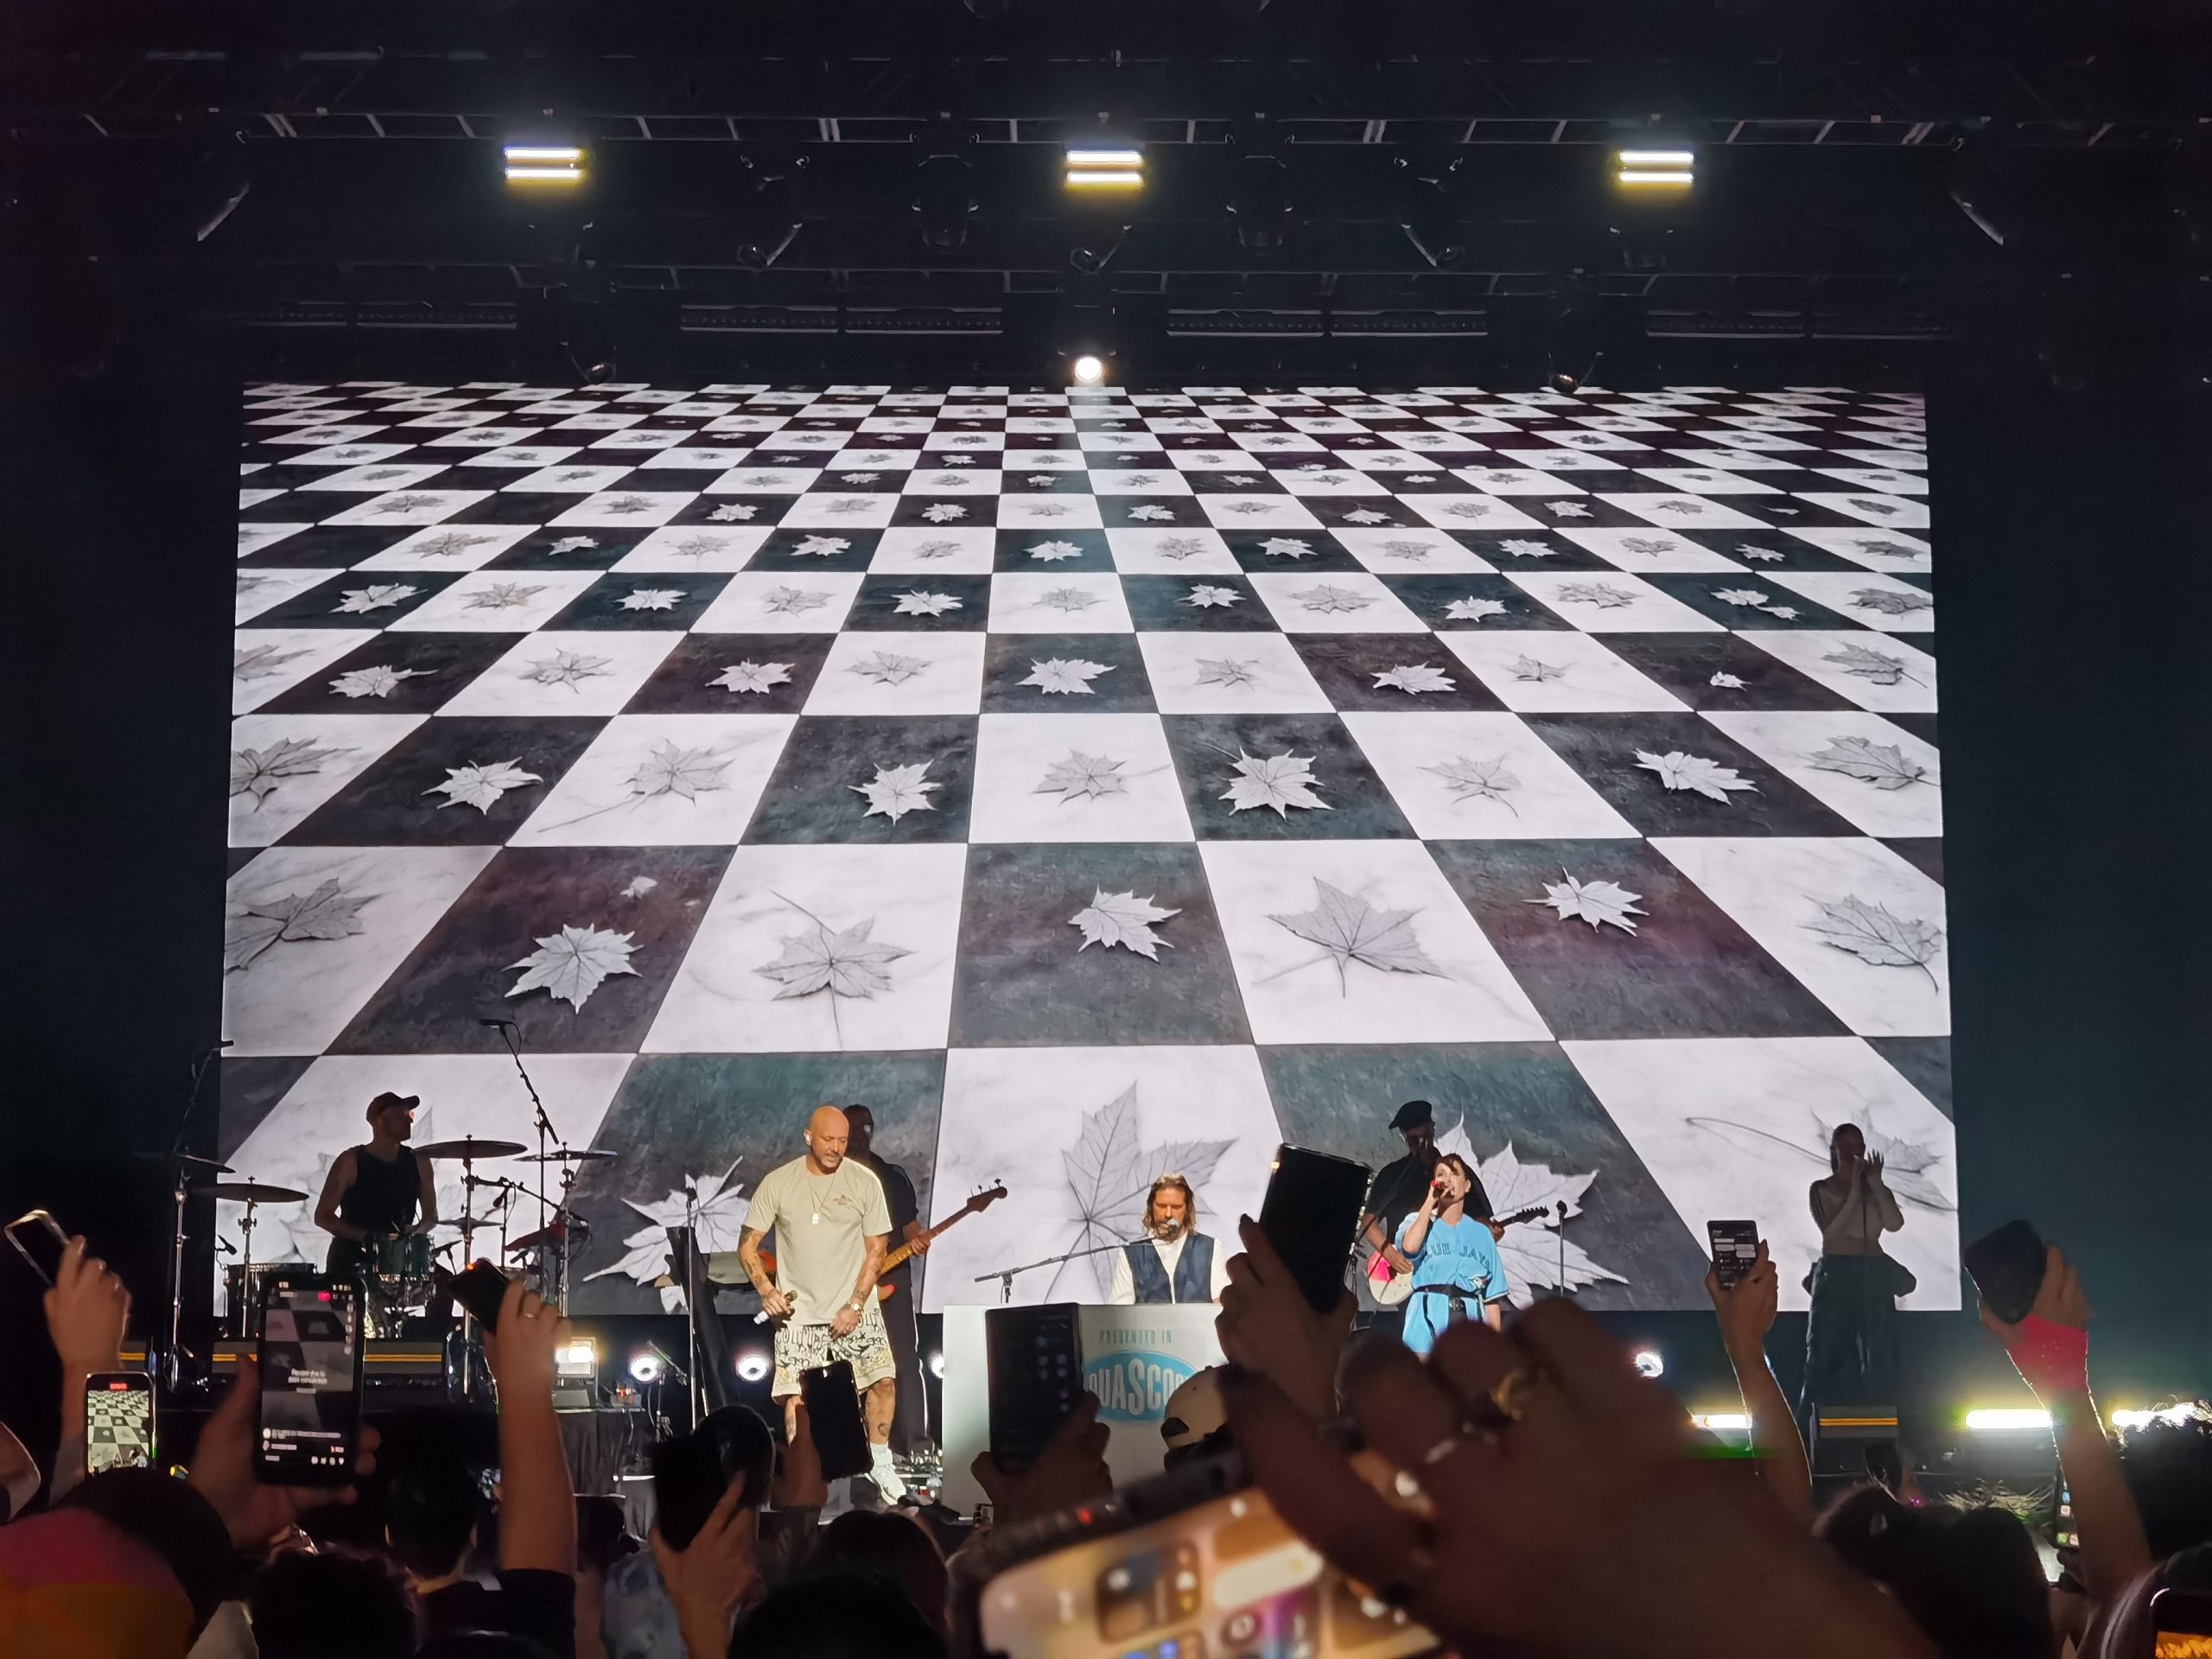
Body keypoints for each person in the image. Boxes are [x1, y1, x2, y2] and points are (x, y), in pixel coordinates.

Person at [735, 1106, 904, 1506]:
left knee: (882, 1380)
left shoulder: (864, 1181)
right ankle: (802, 1475)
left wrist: (856, 1304)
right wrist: (766, 1290)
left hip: (854, 1309)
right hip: (800, 1318)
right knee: (798, 1400)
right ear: (808, 1137)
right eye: (828, 1139)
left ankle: (880, 1461)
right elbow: (747, 1245)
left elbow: (877, 1250)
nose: (836, 1148)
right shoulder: (779, 1183)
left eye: (843, 1141)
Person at [1802, 1122, 1906, 1422]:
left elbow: (1894, 1223)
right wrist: (1854, 1192)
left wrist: (1876, 1183)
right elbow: (1831, 1231)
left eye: (1857, 1145)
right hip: (1838, 1272)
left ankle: (1884, 1423)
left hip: (1873, 1271)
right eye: (1844, 1146)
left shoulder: (1873, 1189)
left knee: (1880, 1352)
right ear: (1834, 1150)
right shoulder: (1822, 1189)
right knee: (1827, 1350)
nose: (1851, 1152)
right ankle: (1815, 1422)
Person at [843, 1105, 931, 1454]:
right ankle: (853, 1448)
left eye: (866, 1128)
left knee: (904, 1360)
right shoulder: (829, 1179)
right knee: (846, 1365)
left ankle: (916, 1443)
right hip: (845, 1283)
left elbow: (911, 1229)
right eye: (854, 1128)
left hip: (892, 1279)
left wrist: (918, 1241)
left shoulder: (892, 1176)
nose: (861, 1134)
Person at [1358, 1101, 1496, 1284]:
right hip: (1403, 1276)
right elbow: (1368, 1222)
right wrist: (1390, 1253)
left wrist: (1488, 1231)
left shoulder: (1457, 1175)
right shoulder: (1392, 1175)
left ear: (1432, 1129)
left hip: (1445, 1274)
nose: (1419, 1145)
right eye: (1412, 1140)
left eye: (1422, 1138)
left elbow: (1481, 1219)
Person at [315, 1091, 440, 1280]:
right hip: (352, 1257)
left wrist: (412, 1235)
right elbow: (322, 1217)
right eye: (401, 1115)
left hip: (399, 1258)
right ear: (378, 1121)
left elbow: (430, 1217)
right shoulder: (351, 1161)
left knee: (445, 1283)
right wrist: (369, 1238)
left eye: (410, 1115)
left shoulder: (419, 1162)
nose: (409, 1120)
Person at [1395, 1154, 1507, 1353]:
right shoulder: (1418, 1221)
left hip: (1470, 1320)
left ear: (1467, 1186)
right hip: (1426, 1319)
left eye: (1454, 1173)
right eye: (1441, 1174)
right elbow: (1410, 1248)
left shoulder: (1482, 1234)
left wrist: (1496, 1349)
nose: (1447, 1179)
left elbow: (1491, 1298)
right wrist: (1430, 1201)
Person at [1107, 1174, 1230, 1306]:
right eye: (1161, 1206)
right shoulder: (1131, 1254)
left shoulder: (1209, 1249)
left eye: (1176, 1207)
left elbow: (1223, 1304)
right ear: (1151, 1207)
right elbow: (1119, 1313)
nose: (1168, 1214)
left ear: (1187, 1209)